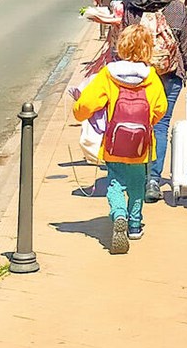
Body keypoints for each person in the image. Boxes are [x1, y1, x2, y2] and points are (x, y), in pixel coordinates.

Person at [72, 24, 169, 254]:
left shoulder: (108, 74)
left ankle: (118, 214)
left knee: (115, 182)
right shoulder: (151, 77)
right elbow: (161, 108)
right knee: (137, 185)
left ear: (122, 46)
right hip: (141, 145)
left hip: (114, 143)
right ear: (148, 49)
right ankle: (134, 225)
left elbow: (87, 104)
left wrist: (78, 112)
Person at [124, 0, 187, 201]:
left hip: (139, 76)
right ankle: (153, 180)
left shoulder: (133, 7)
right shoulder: (176, 8)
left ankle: (136, 176)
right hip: (170, 74)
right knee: (161, 126)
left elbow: (123, 42)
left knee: (138, 124)